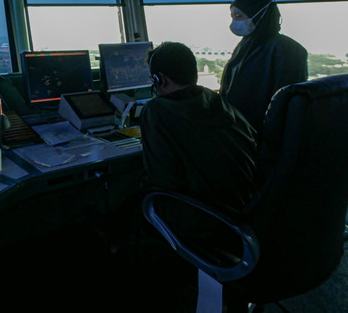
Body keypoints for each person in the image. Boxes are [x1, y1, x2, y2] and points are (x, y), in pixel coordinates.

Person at [97, 41, 259, 310]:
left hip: (206, 219)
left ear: (159, 79)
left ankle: (121, 251)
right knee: (129, 203)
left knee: (136, 198)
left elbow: (163, 181)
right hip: (246, 209)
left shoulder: (158, 111)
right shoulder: (216, 100)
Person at [220, 0, 308, 135]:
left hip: (263, 132)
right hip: (238, 127)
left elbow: (285, 100)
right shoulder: (245, 45)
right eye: (233, 17)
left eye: (239, 16)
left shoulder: (287, 49)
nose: (234, 22)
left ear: (259, 15)